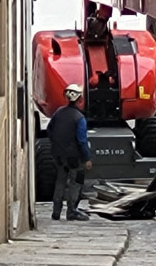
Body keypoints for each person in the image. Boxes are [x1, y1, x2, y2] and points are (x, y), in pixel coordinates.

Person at [47, 84, 92, 221]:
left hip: (59, 155)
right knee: (76, 182)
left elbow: (50, 130)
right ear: (80, 99)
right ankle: (72, 210)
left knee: (60, 181)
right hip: (74, 157)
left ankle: (56, 211)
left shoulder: (58, 113)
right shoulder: (79, 118)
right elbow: (82, 140)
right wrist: (87, 158)